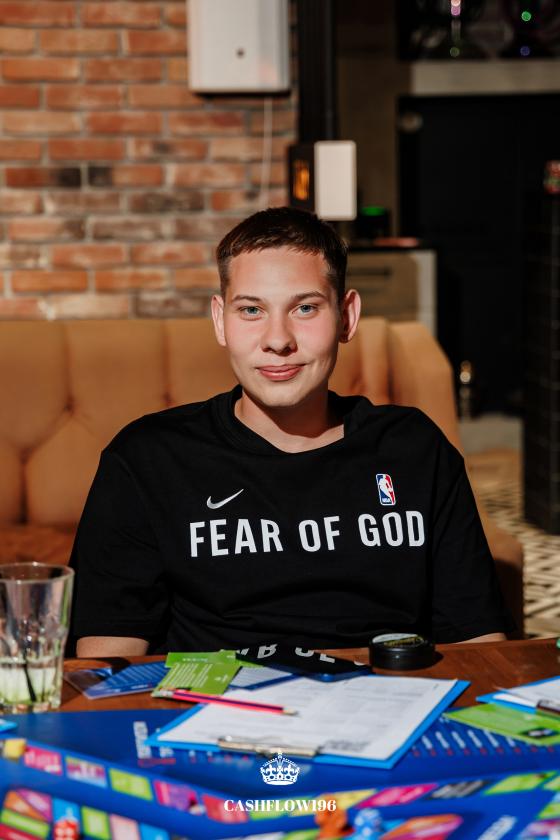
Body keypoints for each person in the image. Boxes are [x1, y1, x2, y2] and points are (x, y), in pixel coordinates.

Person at [70, 207, 513, 656]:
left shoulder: (415, 448)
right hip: (215, 698)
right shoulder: (147, 459)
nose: (278, 340)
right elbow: (106, 664)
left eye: (305, 308)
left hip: (388, 692)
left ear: (346, 316)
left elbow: (479, 643)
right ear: (220, 320)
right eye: (251, 310)